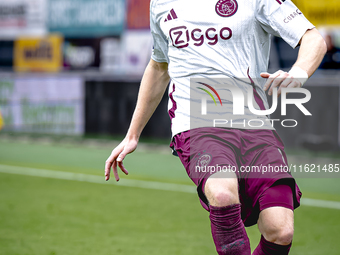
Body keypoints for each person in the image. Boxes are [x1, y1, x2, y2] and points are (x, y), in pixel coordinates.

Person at [105, 0, 326, 254]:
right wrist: (133, 134)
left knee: (280, 231)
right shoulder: (161, 4)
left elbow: (313, 38)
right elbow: (159, 65)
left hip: (254, 122)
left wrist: (298, 72)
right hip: (196, 122)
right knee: (222, 194)